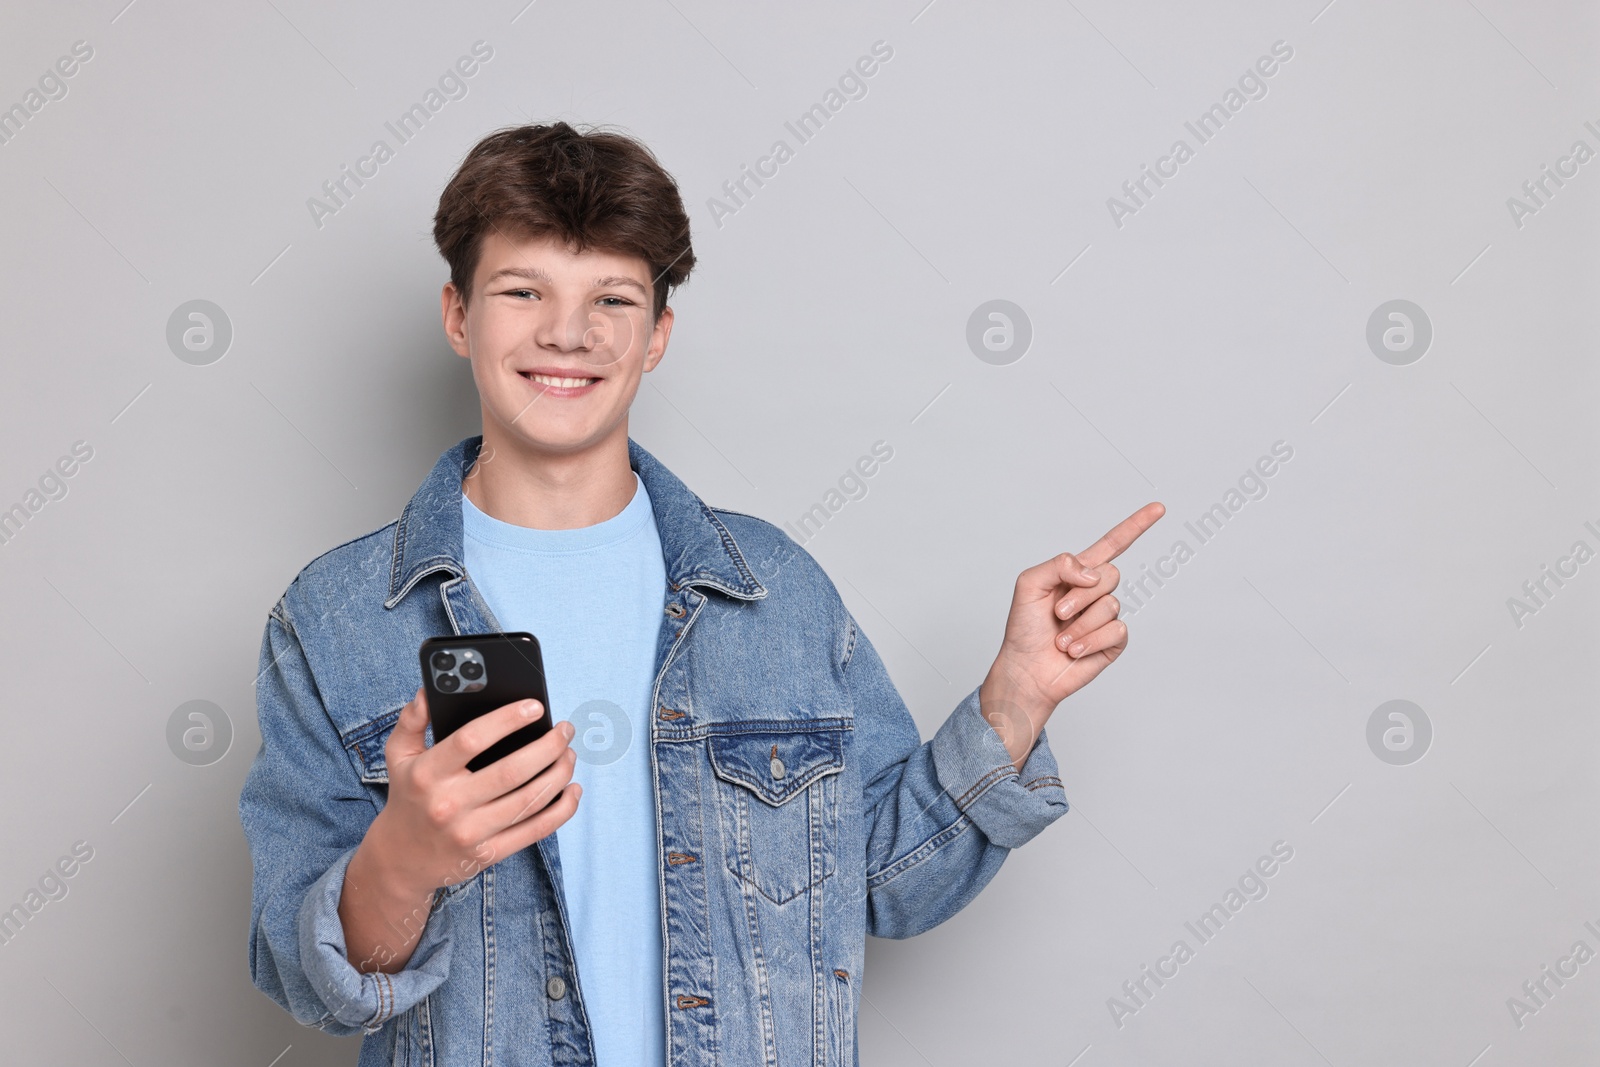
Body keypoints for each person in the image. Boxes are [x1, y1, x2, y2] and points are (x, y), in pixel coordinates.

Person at [239, 121, 1163, 1067]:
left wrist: (1014, 702)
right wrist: (405, 858)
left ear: (658, 335)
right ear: (459, 315)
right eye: (524, 292)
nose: (570, 332)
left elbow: (884, 881)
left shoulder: (774, 591)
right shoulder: (335, 618)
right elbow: (310, 980)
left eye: (613, 298)